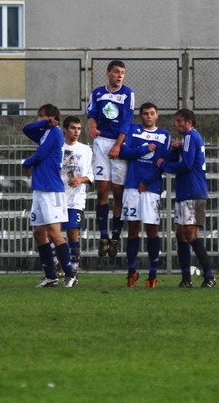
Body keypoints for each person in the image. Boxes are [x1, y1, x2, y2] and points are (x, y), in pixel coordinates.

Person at [156, 108, 215, 288]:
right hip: (184, 192)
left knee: (189, 233)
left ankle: (209, 276)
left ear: (189, 123)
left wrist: (164, 165)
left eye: (179, 121)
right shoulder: (187, 140)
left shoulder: (190, 136)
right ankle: (186, 279)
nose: (176, 125)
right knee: (181, 234)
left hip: (194, 191)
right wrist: (177, 149)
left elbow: (188, 164)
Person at [23, 104, 78, 288]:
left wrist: (26, 162)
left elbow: (41, 154)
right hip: (39, 189)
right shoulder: (44, 132)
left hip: (51, 189)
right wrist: (43, 122)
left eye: (41, 116)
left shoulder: (54, 132)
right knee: (39, 233)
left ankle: (70, 274)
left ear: (51, 118)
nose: (38, 119)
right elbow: (26, 129)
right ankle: (50, 276)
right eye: (39, 116)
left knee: (54, 233)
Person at [118, 102, 172, 288]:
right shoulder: (133, 130)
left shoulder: (164, 136)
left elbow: (161, 161)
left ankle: (153, 274)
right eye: (145, 114)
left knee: (151, 229)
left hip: (151, 188)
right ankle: (132, 271)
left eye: (152, 113)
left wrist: (147, 181)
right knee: (133, 227)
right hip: (132, 185)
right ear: (140, 116)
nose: (148, 116)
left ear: (157, 115)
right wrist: (143, 149)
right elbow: (123, 152)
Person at [87, 60, 135, 259]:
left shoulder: (128, 94)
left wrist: (118, 145)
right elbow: (91, 114)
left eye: (122, 72)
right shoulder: (97, 93)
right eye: (116, 72)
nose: (120, 75)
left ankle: (115, 236)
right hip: (101, 142)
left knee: (118, 191)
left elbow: (127, 120)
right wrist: (91, 126)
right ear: (108, 73)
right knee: (102, 189)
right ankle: (103, 236)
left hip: (119, 143)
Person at [60, 116, 94, 271]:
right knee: (54, 232)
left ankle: (74, 267)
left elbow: (93, 174)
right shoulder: (57, 147)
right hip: (57, 196)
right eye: (73, 128)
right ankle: (57, 266)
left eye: (79, 128)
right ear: (65, 129)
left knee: (73, 231)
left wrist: (81, 179)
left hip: (76, 198)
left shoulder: (86, 150)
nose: (76, 132)